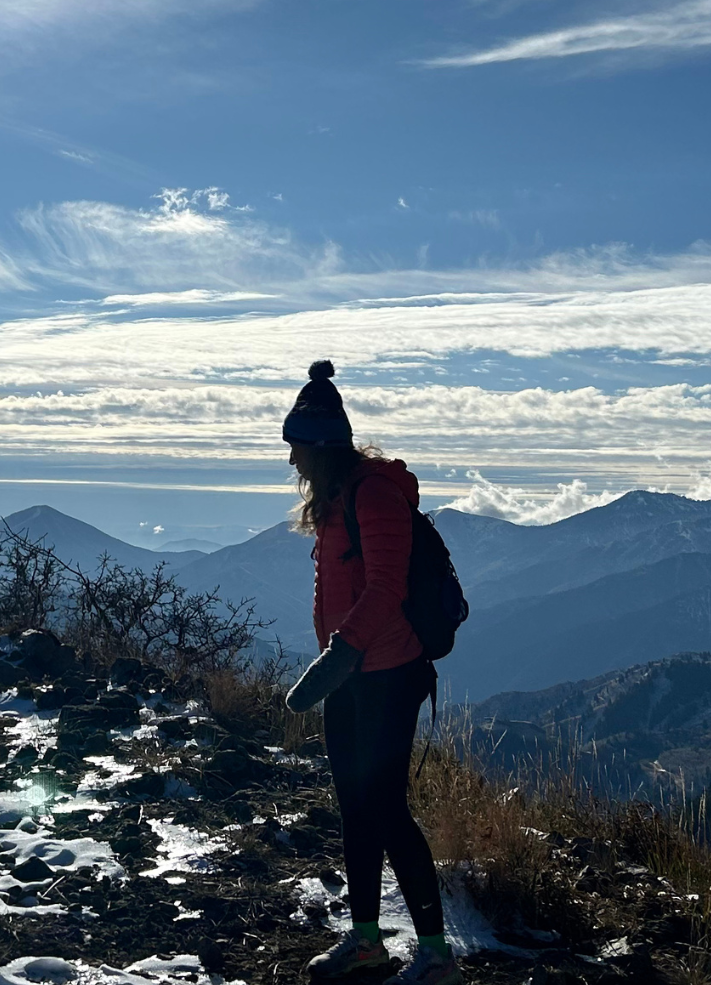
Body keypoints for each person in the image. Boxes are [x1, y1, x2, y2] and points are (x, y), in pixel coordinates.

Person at [281, 360, 457, 985]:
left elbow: (384, 587)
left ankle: (437, 955)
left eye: (298, 448)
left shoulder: (372, 493)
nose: (293, 461)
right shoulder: (332, 501)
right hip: (352, 674)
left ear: (323, 446)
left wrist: (338, 655)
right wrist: (334, 659)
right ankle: (365, 943)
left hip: (388, 672)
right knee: (356, 806)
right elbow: (337, 588)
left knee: (385, 807)